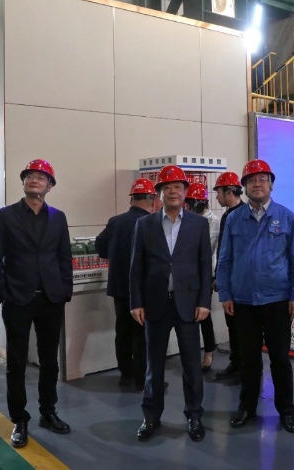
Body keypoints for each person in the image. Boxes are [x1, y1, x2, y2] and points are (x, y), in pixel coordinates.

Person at [217, 159, 294, 434]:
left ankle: (286, 410)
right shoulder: (234, 219)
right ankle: (246, 407)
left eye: (263, 179)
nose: (257, 184)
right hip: (243, 301)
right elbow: (225, 259)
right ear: (244, 186)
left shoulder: (286, 217)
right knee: (248, 359)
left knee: (280, 358)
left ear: (271, 184)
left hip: (277, 300)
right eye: (251, 180)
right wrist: (225, 293)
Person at [0, 159, 73, 449]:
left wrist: (65, 290)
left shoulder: (58, 217)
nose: (35, 180)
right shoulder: (4, 216)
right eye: (30, 176)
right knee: (16, 362)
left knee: (50, 360)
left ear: (50, 186)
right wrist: (2, 293)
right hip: (17, 298)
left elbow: (64, 256)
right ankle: (19, 419)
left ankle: (48, 411)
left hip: (51, 298)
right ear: (23, 182)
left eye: (41, 177)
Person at [129, 165, 212, 442]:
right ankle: (151, 416)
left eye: (178, 186)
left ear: (185, 192)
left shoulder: (198, 225)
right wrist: (136, 302)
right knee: (154, 365)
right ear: (159, 194)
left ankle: (194, 415)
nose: (173, 191)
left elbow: (204, 266)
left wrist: (204, 301)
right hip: (155, 305)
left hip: (188, 305)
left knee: (191, 365)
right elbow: (136, 267)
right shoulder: (145, 224)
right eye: (167, 187)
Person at [95, 178, 156, 391]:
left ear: (131, 198)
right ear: (152, 198)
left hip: (119, 287)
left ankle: (126, 374)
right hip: (144, 289)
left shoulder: (115, 222)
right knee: (143, 334)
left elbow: (100, 247)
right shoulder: (151, 223)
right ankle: (142, 378)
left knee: (122, 331)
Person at [211, 172, 245, 382]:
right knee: (232, 325)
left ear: (229, 191)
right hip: (229, 282)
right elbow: (223, 252)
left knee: (242, 328)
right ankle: (235, 363)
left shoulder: (243, 215)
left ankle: (243, 369)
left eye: (219, 192)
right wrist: (219, 277)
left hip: (240, 283)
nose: (217, 197)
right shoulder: (227, 216)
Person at [184, 182, 220, 371]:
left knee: (204, 314)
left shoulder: (212, 221)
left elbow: (207, 246)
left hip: (205, 273)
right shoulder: (187, 218)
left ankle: (209, 351)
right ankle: (192, 353)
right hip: (188, 273)